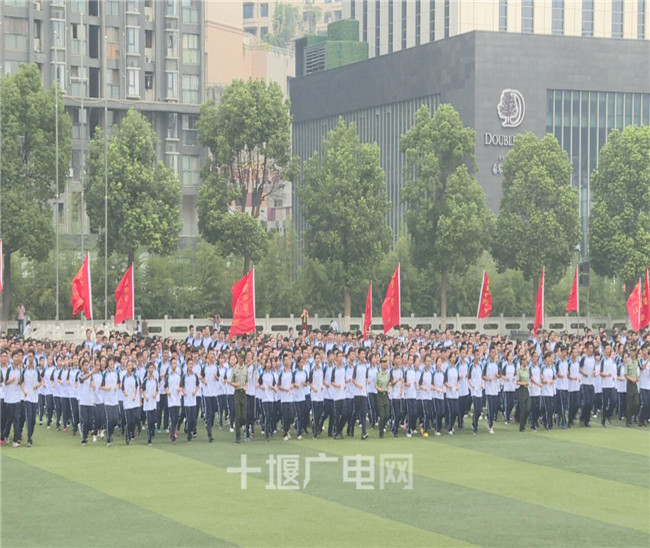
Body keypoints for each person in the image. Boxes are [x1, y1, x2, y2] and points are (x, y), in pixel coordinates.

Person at [229, 350, 248, 443]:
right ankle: (238, 437)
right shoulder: (235, 368)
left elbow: (247, 380)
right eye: (240, 357)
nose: (242, 359)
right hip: (237, 393)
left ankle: (240, 426)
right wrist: (235, 384)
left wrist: (246, 386)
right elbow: (230, 381)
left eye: (243, 357)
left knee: (244, 416)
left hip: (243, 393)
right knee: (238, 415)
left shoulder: (245, 368)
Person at [180, 359, 199, 443]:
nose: (191, 366)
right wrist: (184, 392)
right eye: (189, 364)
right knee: (188, 418)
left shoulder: (195, 375)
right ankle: (188, 436)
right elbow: (181, 387)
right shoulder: (184, 376)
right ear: (187, 366)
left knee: (193, 418)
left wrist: (195, 391)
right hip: (187, 401)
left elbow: (197, 385)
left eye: (192, 364)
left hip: (193, 400)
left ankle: (192, 431)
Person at [375, 356, 391, 438]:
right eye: (383, 362)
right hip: (380, 395)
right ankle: (381, 432)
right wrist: (379, 388)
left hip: (386, 395)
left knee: (387, 414)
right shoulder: (378, 374)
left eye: (386, 362)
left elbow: (389, 383)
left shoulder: (388, 374)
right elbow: (375, 384)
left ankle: (383, 425)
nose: (385, 364)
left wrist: (388, 388)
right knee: (382, 414)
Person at [624, 346, 640, 426]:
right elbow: (625, 375)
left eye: (634, 351)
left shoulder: (636, 361)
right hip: (630, 383)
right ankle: (628, 420)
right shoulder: (627, 362)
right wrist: (631, 379)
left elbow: (636, 372)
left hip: (635, 384)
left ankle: (632, 416)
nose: (634, 353)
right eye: (632, 351)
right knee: (630, 403)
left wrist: (637, 377)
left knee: (636, 402)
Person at [517, 356, 531, 432]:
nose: (525, 362)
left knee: (528, 408)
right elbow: (517, 381)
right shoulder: (519, 370)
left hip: (526, 389)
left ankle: (524, 422)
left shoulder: (528, 370)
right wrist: (524, 383)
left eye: (526, 360)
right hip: (521, 389)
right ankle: (521, 426)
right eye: (524, 360)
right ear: (521, 361)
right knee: (523, 409)